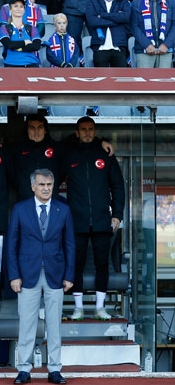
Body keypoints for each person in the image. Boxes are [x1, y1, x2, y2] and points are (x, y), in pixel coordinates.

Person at [6, 169, 74, 385]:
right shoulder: (20, 209)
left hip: (55, 273)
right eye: (42, 184)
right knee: (26, 323)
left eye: (49, 185)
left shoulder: (62, 210)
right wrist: (14, 275)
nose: (46, 188)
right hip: (27, 275)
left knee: (54, 324)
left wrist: (69, 275)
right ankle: (24, 369)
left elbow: (70, 245)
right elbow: (11, 246)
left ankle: (54, 369)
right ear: (33, 186)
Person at [61, 117, 125, 321]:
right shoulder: (69, 153)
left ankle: (100, 308)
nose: (87, 132)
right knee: (76, 264)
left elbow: (118, 186)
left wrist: (117, 214)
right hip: (76, 219)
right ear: (77, 132)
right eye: (83, 130)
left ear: (95, 131)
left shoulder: (105, 154)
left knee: (102, 264)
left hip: (101, 219)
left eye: (90, 129)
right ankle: (78, 308)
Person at [132, 0, 175, 69]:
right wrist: (146, 44)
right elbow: (134, 27)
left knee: (163, 82)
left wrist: (167, 44)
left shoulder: (171, 2)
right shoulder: (137, 2)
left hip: (166, 50)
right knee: (145, 83)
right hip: (144, 50)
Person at [0, 0, 42, 67]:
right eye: (15, 6)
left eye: (21, 6)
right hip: (11, 64)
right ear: (10, 9)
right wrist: (26, 42)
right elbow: (9, 44)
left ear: (24, 9)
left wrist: (18, 48)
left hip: (31, 64)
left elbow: (36, 46)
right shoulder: (4, 28)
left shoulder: (32, 28)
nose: (19, 9)